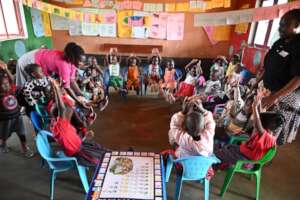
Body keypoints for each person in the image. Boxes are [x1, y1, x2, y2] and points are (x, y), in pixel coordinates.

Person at [254, 9, 300, 145]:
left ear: (297, 25)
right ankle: (255, 152)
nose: (280, 28)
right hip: (268, 91)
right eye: (280, 24)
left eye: (284, 24)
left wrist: (275, 97)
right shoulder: (279, 43)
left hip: (283, 98)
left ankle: (261, 158)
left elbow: (298, 78)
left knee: (270, 132)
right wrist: (257, 82)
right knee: (259, 125)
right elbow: (268, 66)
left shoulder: (298, 46)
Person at [215, 94, 285, 168]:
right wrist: (257, 105)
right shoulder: (266, 131)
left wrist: (254, 107)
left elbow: (257, 123)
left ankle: (217, 162)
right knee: (228, 147)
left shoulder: (269, 138)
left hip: (248, 160)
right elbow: (259, 119)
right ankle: (221, 162)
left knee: (221, 152)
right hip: (245, 152)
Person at [50, 79, 107, 167]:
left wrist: (85, 137)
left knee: (100, 149)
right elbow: (62, 109)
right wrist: (57, 89)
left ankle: (119, 155)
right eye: (70, 112)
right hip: (79, 153)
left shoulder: (60, 125)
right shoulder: (61, 126)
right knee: (103, 159)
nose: (72, 113)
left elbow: (71, 139)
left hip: (80, 144)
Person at [16, 42, 88, 108]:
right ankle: (23, 105)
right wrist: (78, 101)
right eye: (80, 61)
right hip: (29, 60)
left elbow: (71, 80)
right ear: (72, 58)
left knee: (39, 85)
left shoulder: (71, 62)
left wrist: (80, 93)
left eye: (83, 61)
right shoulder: (63, 65)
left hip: (39, 56)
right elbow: (67, 87)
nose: (82, 63)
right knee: (27, 87)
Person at [0, 60, 34, 157]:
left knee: (21, 133)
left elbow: (12, 79)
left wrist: (6, 69)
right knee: (4, 134)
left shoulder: (11, 91)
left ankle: (25, 147)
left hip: (17, 117)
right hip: (4, 120)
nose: (6, 85)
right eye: (3, 84)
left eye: (7, 84)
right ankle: (3, 143)